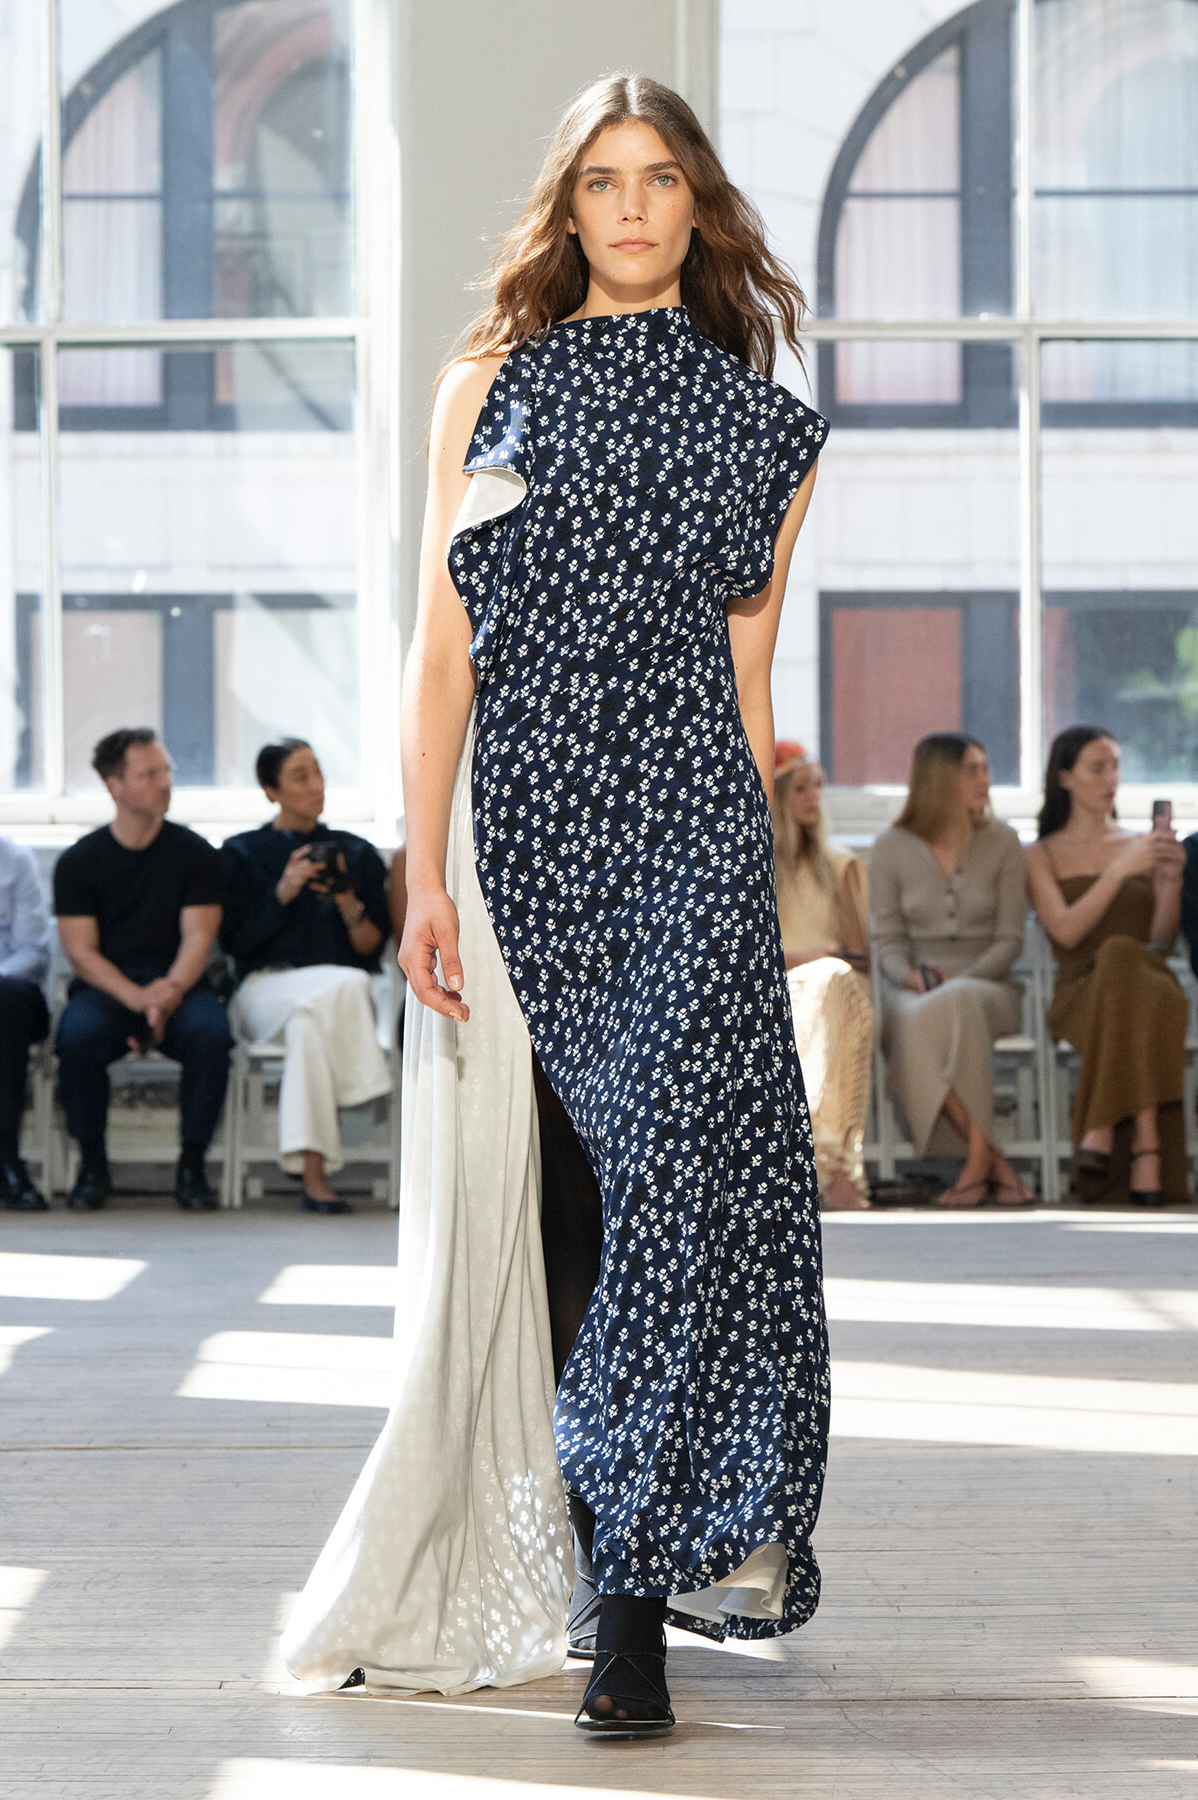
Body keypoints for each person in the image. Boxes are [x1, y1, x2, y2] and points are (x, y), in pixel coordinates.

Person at [283, 75, 831, 1735]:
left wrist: (766, 892)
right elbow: (442, 652)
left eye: (663, 179)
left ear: (702, 209)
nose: (636, 206)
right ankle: (609, 1557)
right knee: (579, 1199)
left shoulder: (763, 422)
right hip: (528, 845)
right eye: (605, 182)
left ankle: (630, 1600)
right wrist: (419, 865)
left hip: (689, 837)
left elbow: (750, 678)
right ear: (571, 211)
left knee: (671, 1178)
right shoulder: (488, 386)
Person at [53, 729, 232, 1212]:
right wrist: (140, 1000)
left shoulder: (195, 853)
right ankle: (92, 1165)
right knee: (77, 1039)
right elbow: (81, 953)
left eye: (166, 771)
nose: (165, 782)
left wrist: (168, 991)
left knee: (212, 1036)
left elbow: (200, 937)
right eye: (149, 774)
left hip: (181, 981)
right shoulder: (79, 861)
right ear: (115, 786)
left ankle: (192, 1166)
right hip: (110, 987)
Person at [220, 740, 392, 1216]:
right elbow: (236, 945)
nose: (316, 785)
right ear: (270, 790)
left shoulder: (355, 855)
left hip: (327, 1009)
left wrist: (346, 900)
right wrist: (284, 891)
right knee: (347, 985)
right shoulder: (241, 855)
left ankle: (314, 1177)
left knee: (309, 1024)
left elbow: (371, 948)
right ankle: (361, 1086)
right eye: (299, 776)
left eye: (318, 771)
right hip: (265, 993)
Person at [1027, 726, 1187, 1205]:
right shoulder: (1040, 854)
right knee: (1118, 957)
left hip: (1152, 983)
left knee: (1126, 957)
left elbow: (1160, 940)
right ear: (1065, 778)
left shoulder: (1145, 846)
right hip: (1081, 991)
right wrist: (1119, 869)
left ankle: (1100, 1127)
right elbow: (1067, 932)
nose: (1110, 778)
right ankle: (1146, 1143)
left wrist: (1172, 881)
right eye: (1098, 768)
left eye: (1116, 766)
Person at [870, 733, 1032, 1207]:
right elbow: (887, 941)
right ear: (939, 781)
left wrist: (961, 980)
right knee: (907, 1015)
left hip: (991, 989)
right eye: (971, 770)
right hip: (917, 986)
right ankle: (989, 1158)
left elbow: (1010, 941)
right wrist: (910, 977)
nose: (985, 779)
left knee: (954, 1002)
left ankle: (979, 1162)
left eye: (985, 768)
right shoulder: (890, 847)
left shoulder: (1004, 843)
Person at [771, 742, 871, 1211]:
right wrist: (802, 958)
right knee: (827, 981)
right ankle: (831, 1167)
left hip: (835, 990)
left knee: (834, 981)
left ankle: (823, 1157)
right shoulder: (752, 865)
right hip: (773, 988)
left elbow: (860, 955)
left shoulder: (841, 866)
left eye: (819, 787)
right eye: (800, 788)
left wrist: (824, 960)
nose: (813, 798)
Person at [0, 838, 52, 1210]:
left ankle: (6, 1155)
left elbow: (32, 951)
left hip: (10, 993)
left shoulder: (14, 860)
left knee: (4, 1001)